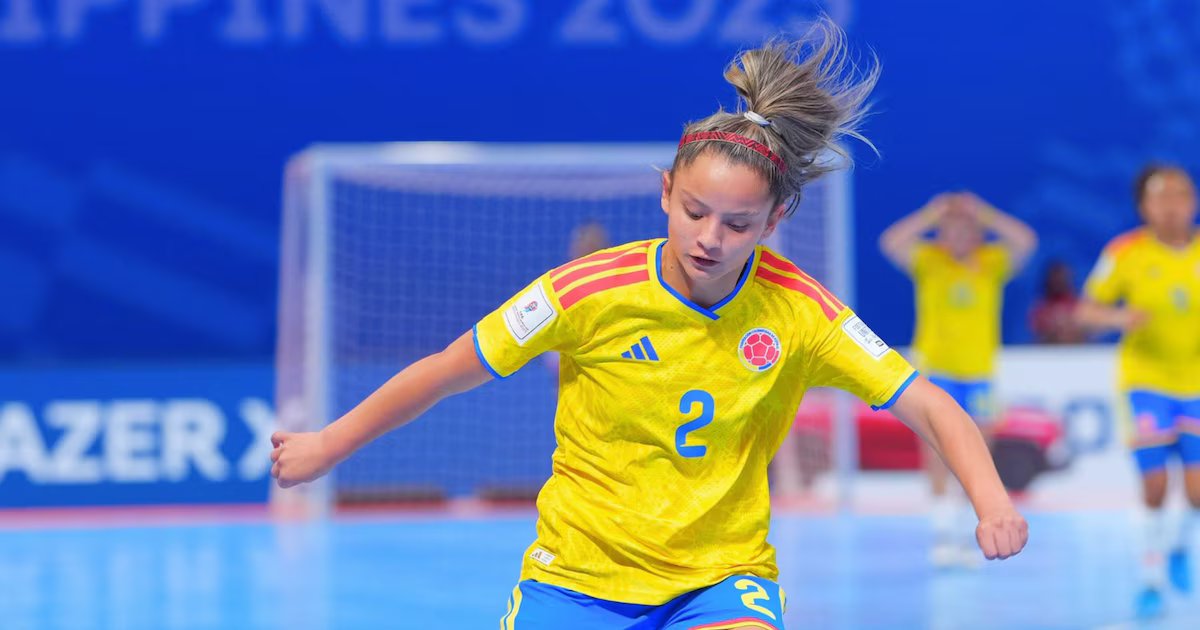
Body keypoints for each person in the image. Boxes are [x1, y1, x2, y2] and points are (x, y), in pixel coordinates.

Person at [271, 20, 1027, 629]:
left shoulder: (801, 309)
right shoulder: (587, 290)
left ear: (777, 217)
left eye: (737, 223)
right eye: (694, 212)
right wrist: (328, 442)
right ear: (665, 192)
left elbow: (929, 401)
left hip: (720, 583)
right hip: (577, 580)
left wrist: (991, 500)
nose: (709, 237)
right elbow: (446, 369)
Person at [879, 191, 1036, 567]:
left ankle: (969, 532)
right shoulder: (929, 260)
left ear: (978, 233)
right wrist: (931, 213)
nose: (960, 235)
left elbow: (1026, 241)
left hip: (979, 374)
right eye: (951, 229)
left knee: (979, 453)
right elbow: (890, 242)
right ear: (941, 233)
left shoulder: (992, 261)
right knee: (937, 452)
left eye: (968, 229)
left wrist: (984, 212)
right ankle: (941, 534)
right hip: (937, 373)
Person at [1076, 163, 1200, 618]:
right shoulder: (1125, 253)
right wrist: (1117, 319)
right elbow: (1085, 310)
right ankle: (1150, 583)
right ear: (1144, 206)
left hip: (1197, 382)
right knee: (1154, 484)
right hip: (1145, 381)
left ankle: (1180, 548)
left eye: (1182, 194)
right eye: (1161, 197)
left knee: (1197, 489)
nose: (1173, 205)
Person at [1029, 260, 1086, 344]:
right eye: (1055, 279)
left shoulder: (1078, 305)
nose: (1058, 282)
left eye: (1061, 278)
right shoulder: (1040, 309)